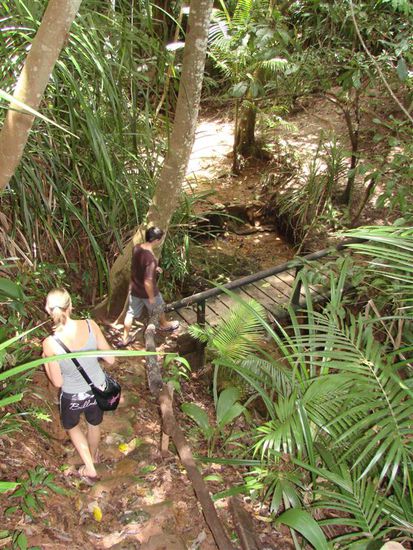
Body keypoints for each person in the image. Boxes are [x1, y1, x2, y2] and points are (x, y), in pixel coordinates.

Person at [42, 288, 115, 484]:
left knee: (73, 427)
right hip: (98, 388)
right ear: (71, 305)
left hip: (73, 395)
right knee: (94, 424)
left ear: (48, 310)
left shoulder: (50, 343)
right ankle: (94, 456)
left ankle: (90, 468)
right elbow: (110, 359)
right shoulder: (91, 325)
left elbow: (57, 382)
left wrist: (45, 362)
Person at [122, 226, 179, 345]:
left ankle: (125, 338)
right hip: (147, 291)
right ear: (156, 240)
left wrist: (154, 268)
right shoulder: (151, 259)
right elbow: (147, 281)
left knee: (130, 313)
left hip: (135, 289)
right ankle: (164, 325)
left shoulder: (137, 248)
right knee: (159, 306)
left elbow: (140, 264)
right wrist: (151, 297)